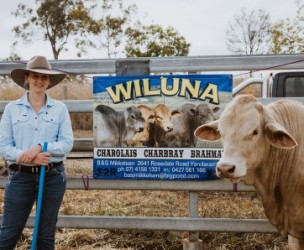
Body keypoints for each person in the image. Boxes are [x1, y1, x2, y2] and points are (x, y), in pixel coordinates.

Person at [0, 56, 74, 249]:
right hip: (20, 177)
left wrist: (41, 147)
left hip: (52, 176)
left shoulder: (59, 109)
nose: (39, 80)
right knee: (7, 235)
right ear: (27, 77)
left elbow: (67, 143)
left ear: (49, 81)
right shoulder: (11, 109)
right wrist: (31, 157)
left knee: (45, 237)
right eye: (35, 75)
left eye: (44, 77)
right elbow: (4, 147)